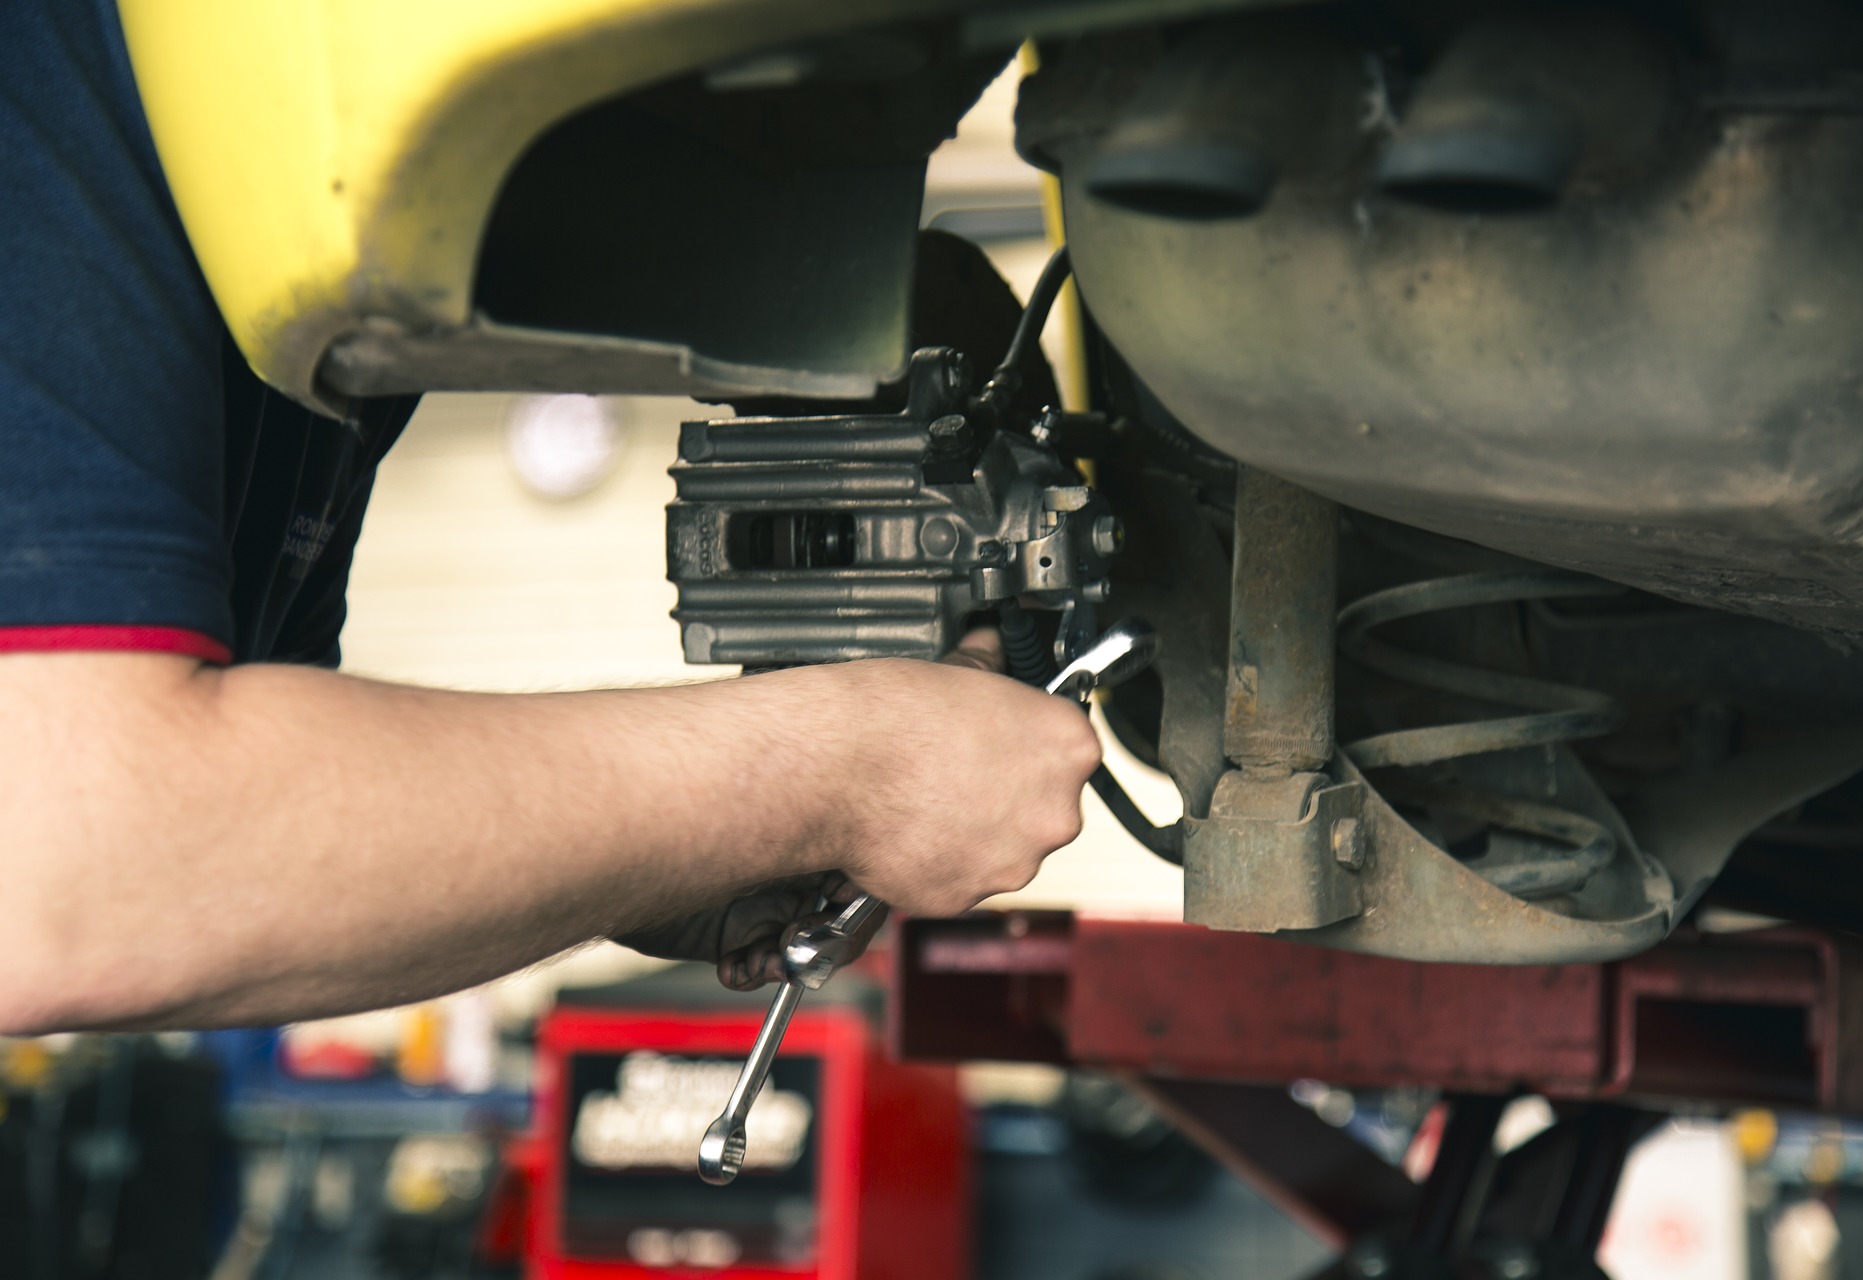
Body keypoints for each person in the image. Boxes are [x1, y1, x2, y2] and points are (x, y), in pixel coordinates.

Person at [0, 0, 1101, 1034]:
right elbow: (75, 870)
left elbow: (260, 867)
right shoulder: (48, 65)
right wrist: (836, 770)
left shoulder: (311, 209)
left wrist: (656, 851)